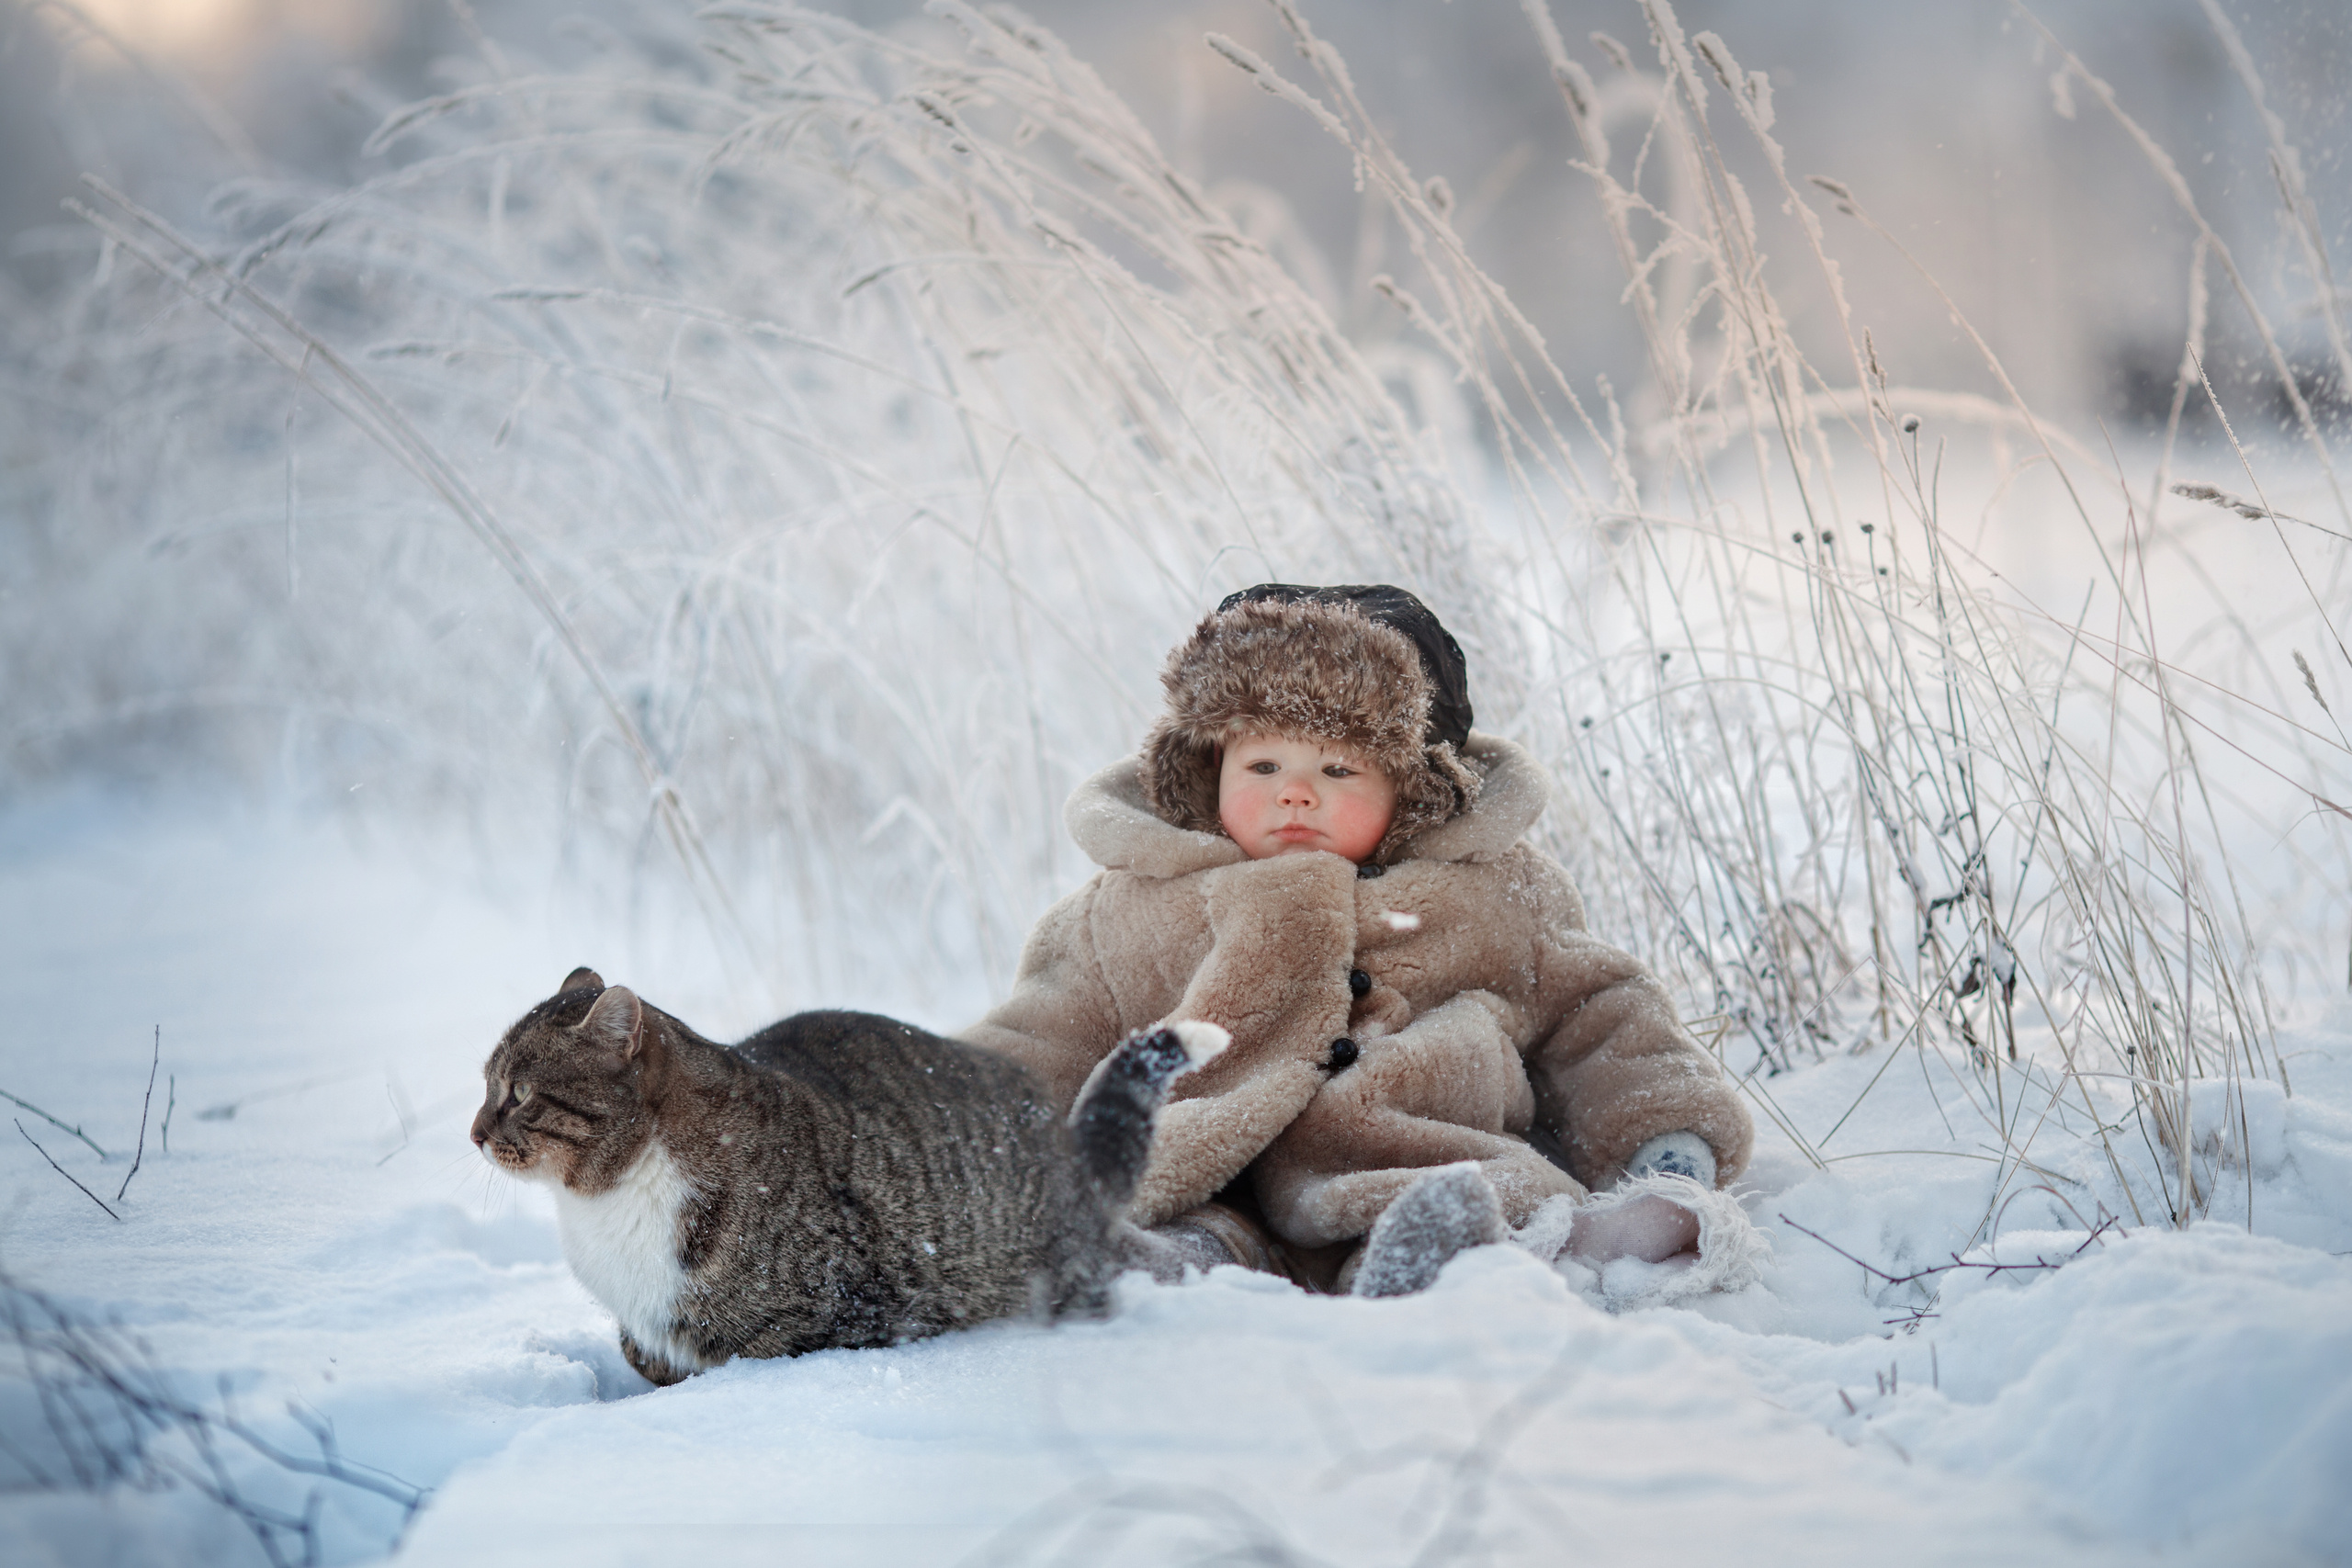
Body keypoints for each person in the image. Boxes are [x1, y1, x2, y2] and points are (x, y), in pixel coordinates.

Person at [960, 584, 1754, 1294]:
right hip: (1212, 1176)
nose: (1295, 793)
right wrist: (961, 1141)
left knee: (1479, 1204)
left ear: (1415, 787)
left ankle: (1474, 1256)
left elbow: (1602, 1018)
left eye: (1338, 770)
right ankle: (1164, 1267)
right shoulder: (1137, 903)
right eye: (1262, 764)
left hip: (1429, 1161)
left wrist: (1664, 1137)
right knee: (1191, 1229)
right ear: (1205, 769)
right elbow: (1043, 1035)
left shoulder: (1493, 893)